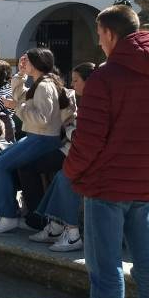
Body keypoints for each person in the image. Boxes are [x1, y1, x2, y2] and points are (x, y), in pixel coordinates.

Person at [51, 5, 149, 298]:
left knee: (105, 272)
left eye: (99, 34)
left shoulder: (105, 79)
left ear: (109, 34)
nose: (98, 42)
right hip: (141, 184)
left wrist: (70, 171)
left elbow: (88, 141)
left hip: (106, 187)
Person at [0, 48, 70, 234]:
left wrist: (17, 107)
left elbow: (41, 118)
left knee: (1, 164)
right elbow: (22, 96)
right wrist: (21, 74)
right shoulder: (41, 83)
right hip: (38, 137)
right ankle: (22, 216)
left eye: (28, 61)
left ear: (37, 63)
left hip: (43, 138)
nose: (25, 63)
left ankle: (7, 215)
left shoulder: (44, 86)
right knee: (2, 160)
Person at [28, 62, 96, 251]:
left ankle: (72, 234)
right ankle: (57, 227)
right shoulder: (86, 100)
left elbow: (81, 134)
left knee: (64, 178)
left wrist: (70, 130)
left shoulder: (94, 102)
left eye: (76, 80)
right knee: (59, 175)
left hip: (89, 157)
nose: (73, 85)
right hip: (80, 153)